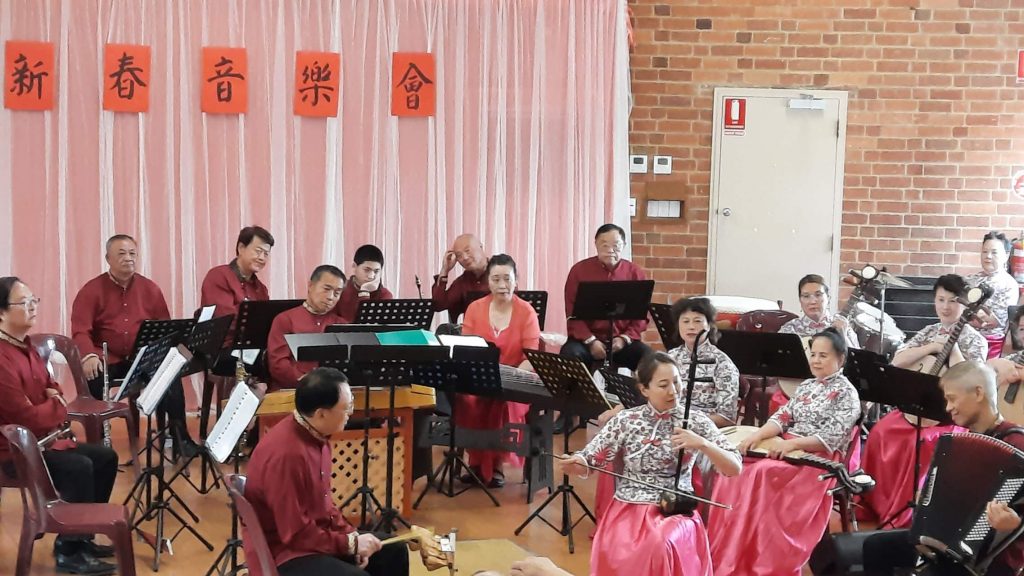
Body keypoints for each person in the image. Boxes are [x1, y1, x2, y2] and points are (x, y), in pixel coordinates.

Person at [560, 352, 742, 575]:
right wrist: (576, 462)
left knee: (659, 543)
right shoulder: (626, 420)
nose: (673, 391)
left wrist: (702, 443)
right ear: (644, 389)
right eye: (663, 385)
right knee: (617, 543)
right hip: (628, 508)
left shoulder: (695, 420)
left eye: (677, 382)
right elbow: (590, 458)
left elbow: (734, 466)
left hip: (673, 508)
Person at [707, 328, 861, 576]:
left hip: (815, 458)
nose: (816, 360)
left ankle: (758, 555)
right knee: (734, 466)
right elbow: (783, 417)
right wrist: (757, 435)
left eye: (823, 355)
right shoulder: (807, 385)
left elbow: (831, 437)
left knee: (760, 473)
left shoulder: (847, 393)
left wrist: (790, 445)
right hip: (785, 446)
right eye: (813, 354)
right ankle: (734, 547)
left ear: (840, 359)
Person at [0, 277, 120, 575]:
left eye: (34, 301)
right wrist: (54, 405)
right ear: (1, 313)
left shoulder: (26, 345)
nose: (32, 307)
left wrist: (50, 399)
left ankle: (81, 537)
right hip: (14, 453)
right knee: (79, 466)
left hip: (44, 440)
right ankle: (69, 552)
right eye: (24, 303)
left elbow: (51, 385)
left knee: (105, 458)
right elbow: (25, 417)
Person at [862, 361, 1024, 576]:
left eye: (952, 398)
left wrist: (1015, 524)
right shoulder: (959, 443)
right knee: (876, 547)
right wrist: (926, 502)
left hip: (992, 557)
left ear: (978, 393)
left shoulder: (1018, 443)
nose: (948, 408)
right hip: (947, 543)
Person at [244, 367, 409, 576]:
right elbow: (294, 534)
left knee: (394, 551)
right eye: (346, 408)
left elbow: (325, 507)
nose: (351, 413)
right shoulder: (286, 455)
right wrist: (348, 545)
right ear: (321, 413)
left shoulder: (315, 433)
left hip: (311, 538)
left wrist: (352, 537)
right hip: (285, 553)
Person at [859, 274, 985, 528]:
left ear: (964, 304)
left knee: (915, 443)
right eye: (940, 300)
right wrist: (930, 347)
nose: (946, 307)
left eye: (953, 301)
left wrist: (953, 349)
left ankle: (907, 511)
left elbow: (970, 380)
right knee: (881, 431)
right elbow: (897, 361)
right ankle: (875, 501)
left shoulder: (975, 340)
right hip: (915, 409)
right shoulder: (928, 331)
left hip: (950, 417)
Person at [456, 254, 540, 488]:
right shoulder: (475, 308)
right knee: (468, 399)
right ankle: (476, 462)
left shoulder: (526, 312)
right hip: (481, 377)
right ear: (488, 282)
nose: (502, 285)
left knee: (504, 402)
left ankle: (496, 465)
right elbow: (467, 348)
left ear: (516, 280)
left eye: (507, 279)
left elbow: (530, 357)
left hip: (516, 378)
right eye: (496, 279)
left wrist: (508, 379)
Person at [560, 223, 651, 371]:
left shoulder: (635, 272)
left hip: (621, 340)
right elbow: (572, 314)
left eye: (616, 245)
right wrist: (591, 341)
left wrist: (624, 339)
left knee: (649, 359)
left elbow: (642, 315)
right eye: (604, 245)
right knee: (570, 356)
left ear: (624, 245)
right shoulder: (579, 271)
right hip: (585, 341)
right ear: (595, 244)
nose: (610, 250)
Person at [267, 265, 346, 391]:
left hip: (332, 392)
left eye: (337, 293)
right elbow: (278, 365)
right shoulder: (285, 319)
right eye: (326, 289)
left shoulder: (341, 324)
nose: (331, 297)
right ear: (310, 286)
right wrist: (309, 383)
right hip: (291, 391)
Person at [666, 297, 740, 427]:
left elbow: (727, 418)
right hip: (668, 420)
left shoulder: (722, 363)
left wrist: (688, 421)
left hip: (703, 427)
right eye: (685, 321)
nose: (691, 327)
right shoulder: (670, 357)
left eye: (698, 321)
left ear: (709, 326)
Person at [965, 231, 1019, 358]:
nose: (988, 256)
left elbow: (991, 322)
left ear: (1006, 255)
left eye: (994, 252)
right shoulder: (970, 279)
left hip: (989, 344)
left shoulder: (1008, 284)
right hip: (962, 337)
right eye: (984, 251)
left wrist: (962, 313)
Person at [778, 273, 859, 348]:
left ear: (828, 298)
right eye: (806, 296)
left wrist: (843, 336)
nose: (812, 301)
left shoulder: (842, 323)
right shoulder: (791, 328)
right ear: (800, 301)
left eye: (818, 295)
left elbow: (857, 357)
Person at [432, 234, 490, 324]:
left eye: (467, 251)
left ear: (480, 247)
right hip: (471, 331)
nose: (465, 258)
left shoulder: (499, 272)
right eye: (459, 255)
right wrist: (445, 270)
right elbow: (439, 305)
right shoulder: (464, 281)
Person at [334, 244, 393, 323]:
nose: (371, 276)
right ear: (354, 267)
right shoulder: (340, 289)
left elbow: (368, 324)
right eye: (367, 270)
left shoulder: (384, 294)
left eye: (376, 271)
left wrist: (364, 292)